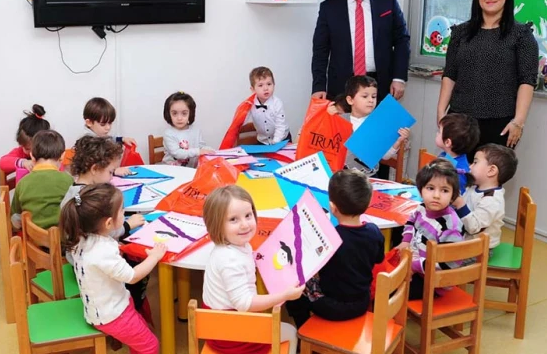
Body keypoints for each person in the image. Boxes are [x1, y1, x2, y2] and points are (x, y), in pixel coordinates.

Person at [436, 0, 538, 159]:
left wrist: (518, 121)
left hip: (500, 123)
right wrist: (441, 113)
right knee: (454, 175)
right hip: (459, 122)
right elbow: (450, 74)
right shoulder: (460, 34)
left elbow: (527, 81)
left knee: (489, 175)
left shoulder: (521, 35)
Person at [60, 183, 165, 354]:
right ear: (109, 223)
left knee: (140, 339)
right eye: (122, 211)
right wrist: (154, 257)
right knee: (151, 345)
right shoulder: (102, 251)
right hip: (113, 315)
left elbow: (100, 262)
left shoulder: (81, 237)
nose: (124, 213)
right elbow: (133, 276)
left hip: (104, 308)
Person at [202, 185, 303, 354]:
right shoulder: (231, 260)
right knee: (292, 332)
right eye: (233, 219)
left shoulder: (230, 246)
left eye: (248, 215)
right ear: (216, 225)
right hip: (233, 336)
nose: (244, 225)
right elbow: (245, 304)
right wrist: (284, 295)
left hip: (216, 327)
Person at [286, 170, 385, 328]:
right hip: (362, 302)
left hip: (331, 307)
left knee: (294, 288)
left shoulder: (330, 238)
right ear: (367, 204)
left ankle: (303, 329)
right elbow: (379, 258)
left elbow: (311, 268)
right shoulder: (374, 231)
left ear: (332, 207)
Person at [311, 0, 410, 102]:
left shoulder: (387, 0)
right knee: (344, 120)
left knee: (381, 120)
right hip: (342, 87)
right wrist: (319, 86)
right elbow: (320, 51)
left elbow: (402, 40)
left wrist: (399, 78)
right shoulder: (329, 7)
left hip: (383, 86)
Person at [397, 158, 464, 300]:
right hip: (417, 264)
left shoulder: (450, 227)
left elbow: (448, 264)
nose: (436, 195)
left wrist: (414, 266)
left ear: (453, 196)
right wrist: (405, 241)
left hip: (434, 282)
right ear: (420, 190)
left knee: (386, 291)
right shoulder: (421, 207)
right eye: (430, 188)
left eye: (444, 190)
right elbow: (410, 221)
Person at [328, 76, 410, 177]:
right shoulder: (340, 120)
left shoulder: (377, 124)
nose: (371, 100)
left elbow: (385, 156)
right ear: (350, 100)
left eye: (374, 97)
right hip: (341, 176)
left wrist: (397, 142)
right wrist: (326, 116)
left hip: (368, 177)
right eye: (365, 96)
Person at [453, 144, 518, 250]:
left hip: (478, 250)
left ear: (491, 171)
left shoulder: (492, 200)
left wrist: (460, 204)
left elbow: (473, 227)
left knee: (438, 256)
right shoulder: (474, 187)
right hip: (465, 241)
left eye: (475, 162)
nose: (470, 167)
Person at [10, 130, 73, 230]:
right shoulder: (69, 180)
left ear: (32, 156)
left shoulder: (22, 183)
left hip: (32, 238)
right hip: (62, 238)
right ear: (62, 156)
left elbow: (14, 216)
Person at [82, 97, 137, 176]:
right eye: (102, 124)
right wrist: (113, 171)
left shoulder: (99, 135)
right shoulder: (87, 142)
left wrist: (122, 139)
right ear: (89, 122)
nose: (108, 127)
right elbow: (94, 168)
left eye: (110, 123)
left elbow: (109, 138)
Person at [162, 92, 212, 168]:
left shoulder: (196, 130)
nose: (179, 118)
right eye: (174, 113)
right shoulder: (168, 133)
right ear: (168, 114)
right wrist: (198, 151)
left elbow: (201, 147)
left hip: (191, 170)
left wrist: (212, 151)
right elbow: (177, 153)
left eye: (184, 113)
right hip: (172, 171)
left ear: (190, 113)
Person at [0, 104, 50, 176]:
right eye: (27, 149)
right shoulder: (21, 153)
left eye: (36, 149)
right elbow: (2, 163)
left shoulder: (50, 153)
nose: (31, 153)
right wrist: (23, 162)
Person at [435, 113, 480, 194]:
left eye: (439, 131)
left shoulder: (459, 172)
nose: (437, 134)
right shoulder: (445, 155)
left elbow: (457, 197)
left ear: (447, 142)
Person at [246, 66, 291, 145]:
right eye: (260, 85)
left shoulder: (277, 103)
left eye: (269, 84)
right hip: (263, 141)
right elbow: (242, 119)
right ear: (253, 89)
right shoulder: (250, 104)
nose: (266, 88)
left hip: (282, 139)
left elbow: (280, 126)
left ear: (274, 85)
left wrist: (275, 142)